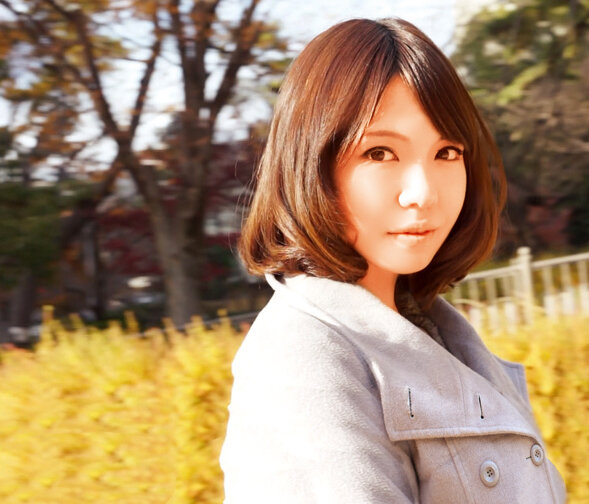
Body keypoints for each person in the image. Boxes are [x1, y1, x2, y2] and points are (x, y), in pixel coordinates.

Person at [220, 17, 566, 503]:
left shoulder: (433, 331)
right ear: (311, 163)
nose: (423, 193)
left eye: (447, 152)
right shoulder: (304, 356)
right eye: (380, 153)